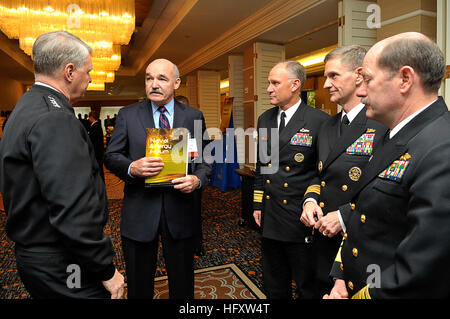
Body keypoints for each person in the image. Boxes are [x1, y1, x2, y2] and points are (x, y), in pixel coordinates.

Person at [325, 32, 450, 299]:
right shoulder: (390, 134)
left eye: (367, 80)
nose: (360, 91)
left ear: (405, 79)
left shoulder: (441, 149)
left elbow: (419, 271)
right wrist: (342, 276)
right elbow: (361, 213)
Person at [0, 31, 124, 299]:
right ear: (69, 71)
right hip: (63, 259)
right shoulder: (55, 118)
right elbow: (71, 209)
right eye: (87, 71)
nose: (90, 78)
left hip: (36, 254)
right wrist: (105, 269)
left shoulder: (26, 106)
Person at [104, 58, 212, 299]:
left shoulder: (194, 116)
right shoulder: (128, 115)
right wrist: (133, 167)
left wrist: (197, 180)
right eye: (149, 78)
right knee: (139, 284)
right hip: (140, 211)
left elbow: (206, 159)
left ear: (176, 83)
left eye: (161, 79)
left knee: (183, 283)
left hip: (181, 211)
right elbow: (111, 156)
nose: (154, 84)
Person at [299, 45, 387, 297]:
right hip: (321, 235)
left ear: (359, 75)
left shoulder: (381, 124)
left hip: (358, 239)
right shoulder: (328, 126)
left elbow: (383, 188)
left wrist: (343, 216)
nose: (326, 84)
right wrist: (310, 200)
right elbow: (320, 176)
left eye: (334, 76)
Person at [253, 61, 329, 298]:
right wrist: (257, 203)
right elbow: (262, 165)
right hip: (270, 212)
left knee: (307, 285)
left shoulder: (318, 121)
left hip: (299, 215)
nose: (268, 89)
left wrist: (312, 202)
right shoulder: (265, 119)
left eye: (275, 83)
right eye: (269, 83)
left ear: (295, 85)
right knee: (274, 282)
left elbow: (323, 172)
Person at [175, 95, 205, 257]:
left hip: (192, 177)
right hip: (173, 177)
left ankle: (196, 244)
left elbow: (202, 154)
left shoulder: (196, 123)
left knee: (194, 213)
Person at [88, 110, 105, 181]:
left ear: (91, 117)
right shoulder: (97, 125)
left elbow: (93, 142)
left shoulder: (95, 127)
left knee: (98, 169)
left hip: (96, 153)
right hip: (99, 152)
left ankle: (99, 184)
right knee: (99, 169)